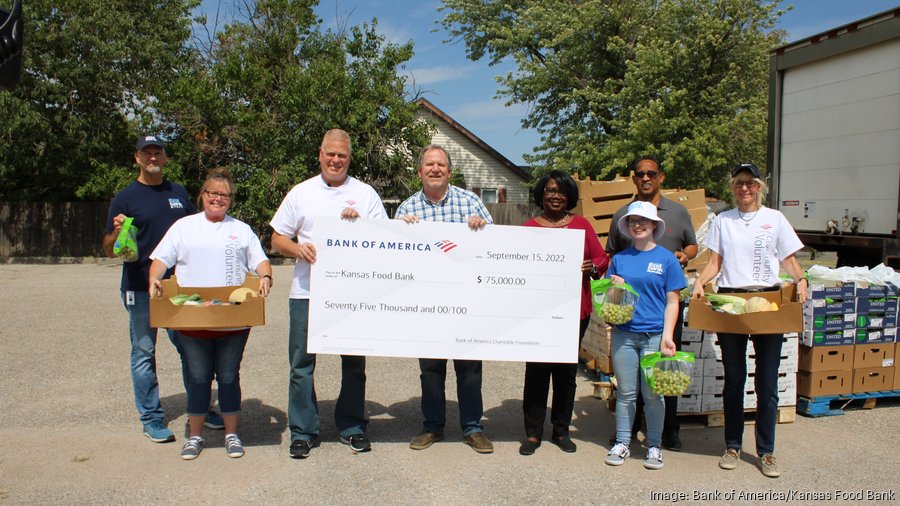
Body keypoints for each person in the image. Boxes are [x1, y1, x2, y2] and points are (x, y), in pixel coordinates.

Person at [271, 129, 388, 459]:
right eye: (330, 154)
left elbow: (384, 240)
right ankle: (303, 431)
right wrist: (297, 249)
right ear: (320, 155)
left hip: (351, 294)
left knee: (353, 363)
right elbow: (277, 239)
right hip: (306, 292)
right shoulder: (301, 193)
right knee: (301, 365)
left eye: (342, 155)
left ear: (349, 158)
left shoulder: (365, 195)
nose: (336, 160)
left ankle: (352, 427)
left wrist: (360, 225)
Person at [690, 163, 808, 478]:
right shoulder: (723, 221)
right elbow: (715, 262)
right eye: (739, 183)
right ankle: (732, 445)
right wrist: (701, 282)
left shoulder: (775, 219)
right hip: (731, 303)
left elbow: (790, 259)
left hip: (768, 303)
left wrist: (802, 279)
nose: (745, 189)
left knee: (767, 382)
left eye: (750, 184)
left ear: (759, 187)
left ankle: (766, 452)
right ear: (733, 187)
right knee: (734, 379)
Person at [103, 135, 223, 444]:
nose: (153, 157)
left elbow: (195, 233)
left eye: (158, 152)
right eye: (147, 153)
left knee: (190, 348)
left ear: (165, 158)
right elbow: (107, 249)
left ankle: (200, 407)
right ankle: (151, 417)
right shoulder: (125, 198)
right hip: (140, 287)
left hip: (177, 288)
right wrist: (116, 233)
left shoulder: (178, 193)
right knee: (144, 351)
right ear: (137, 158)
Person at [148, 168, 272, 460]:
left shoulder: (241, 230)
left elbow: (261, 261)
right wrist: (154, 278)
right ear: (202, 195)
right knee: (199, 377)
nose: (218, 198)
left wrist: (266, 277)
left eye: (224, 195)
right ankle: (195, 437)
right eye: (212, 193)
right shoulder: (183, 227)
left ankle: (231, 435)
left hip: (233, 322)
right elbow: (160, 260)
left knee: (229, 376)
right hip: (192, 320)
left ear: (230, 200)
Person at [395, 144, 495, 454]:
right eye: (429, 165)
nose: (435, 169)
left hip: (467, 303)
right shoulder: (405, 210)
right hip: (427, 304)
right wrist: (401, 232)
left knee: (469, 369)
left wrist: (483, 230)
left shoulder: (471, 203)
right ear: (420, 172)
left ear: (449, 172)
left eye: (440, 164)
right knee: (431, 370)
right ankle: (433, 426)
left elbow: (496, 249)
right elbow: (393, 256)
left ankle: (472, 428)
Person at [606, 155, 698, 451]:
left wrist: (685, 255)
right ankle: (627, 433)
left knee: (662, 379)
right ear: (634, 177)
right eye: (640, 173)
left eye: (651, 173)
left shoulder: (679, 211)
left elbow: (692, 245)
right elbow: (613, 258)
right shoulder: (621, 214)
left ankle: (666, 433)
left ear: (661, 177)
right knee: (629, 387)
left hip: (662, 314)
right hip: (630, 320)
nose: (645, 178)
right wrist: (613, 289)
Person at [518, 171, 609, 456]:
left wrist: (591, 267)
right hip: (539, 312)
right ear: (541, 195)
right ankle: (533, 434)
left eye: (561, 191)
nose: (555, 196)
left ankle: (561, 430)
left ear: (569, 196)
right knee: (536, 371)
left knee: (566, 373)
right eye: (550, 190)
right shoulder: (529, 227)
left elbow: (602, 258)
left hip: (574, 311)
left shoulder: (582, 225)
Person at [604, 201, 683, 470]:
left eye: (643, 221)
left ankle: (654, 445)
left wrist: (667, 336)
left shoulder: (667, 259)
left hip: (654, 336)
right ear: (627, 226)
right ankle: (623, 442)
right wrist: (615, 288)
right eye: (632, 221)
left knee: (654, 395)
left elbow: (673, 301)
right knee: (626, 393)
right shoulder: (619, 259)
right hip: (624, 335)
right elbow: (609, 303)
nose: (637, 225)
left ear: (654, 225)